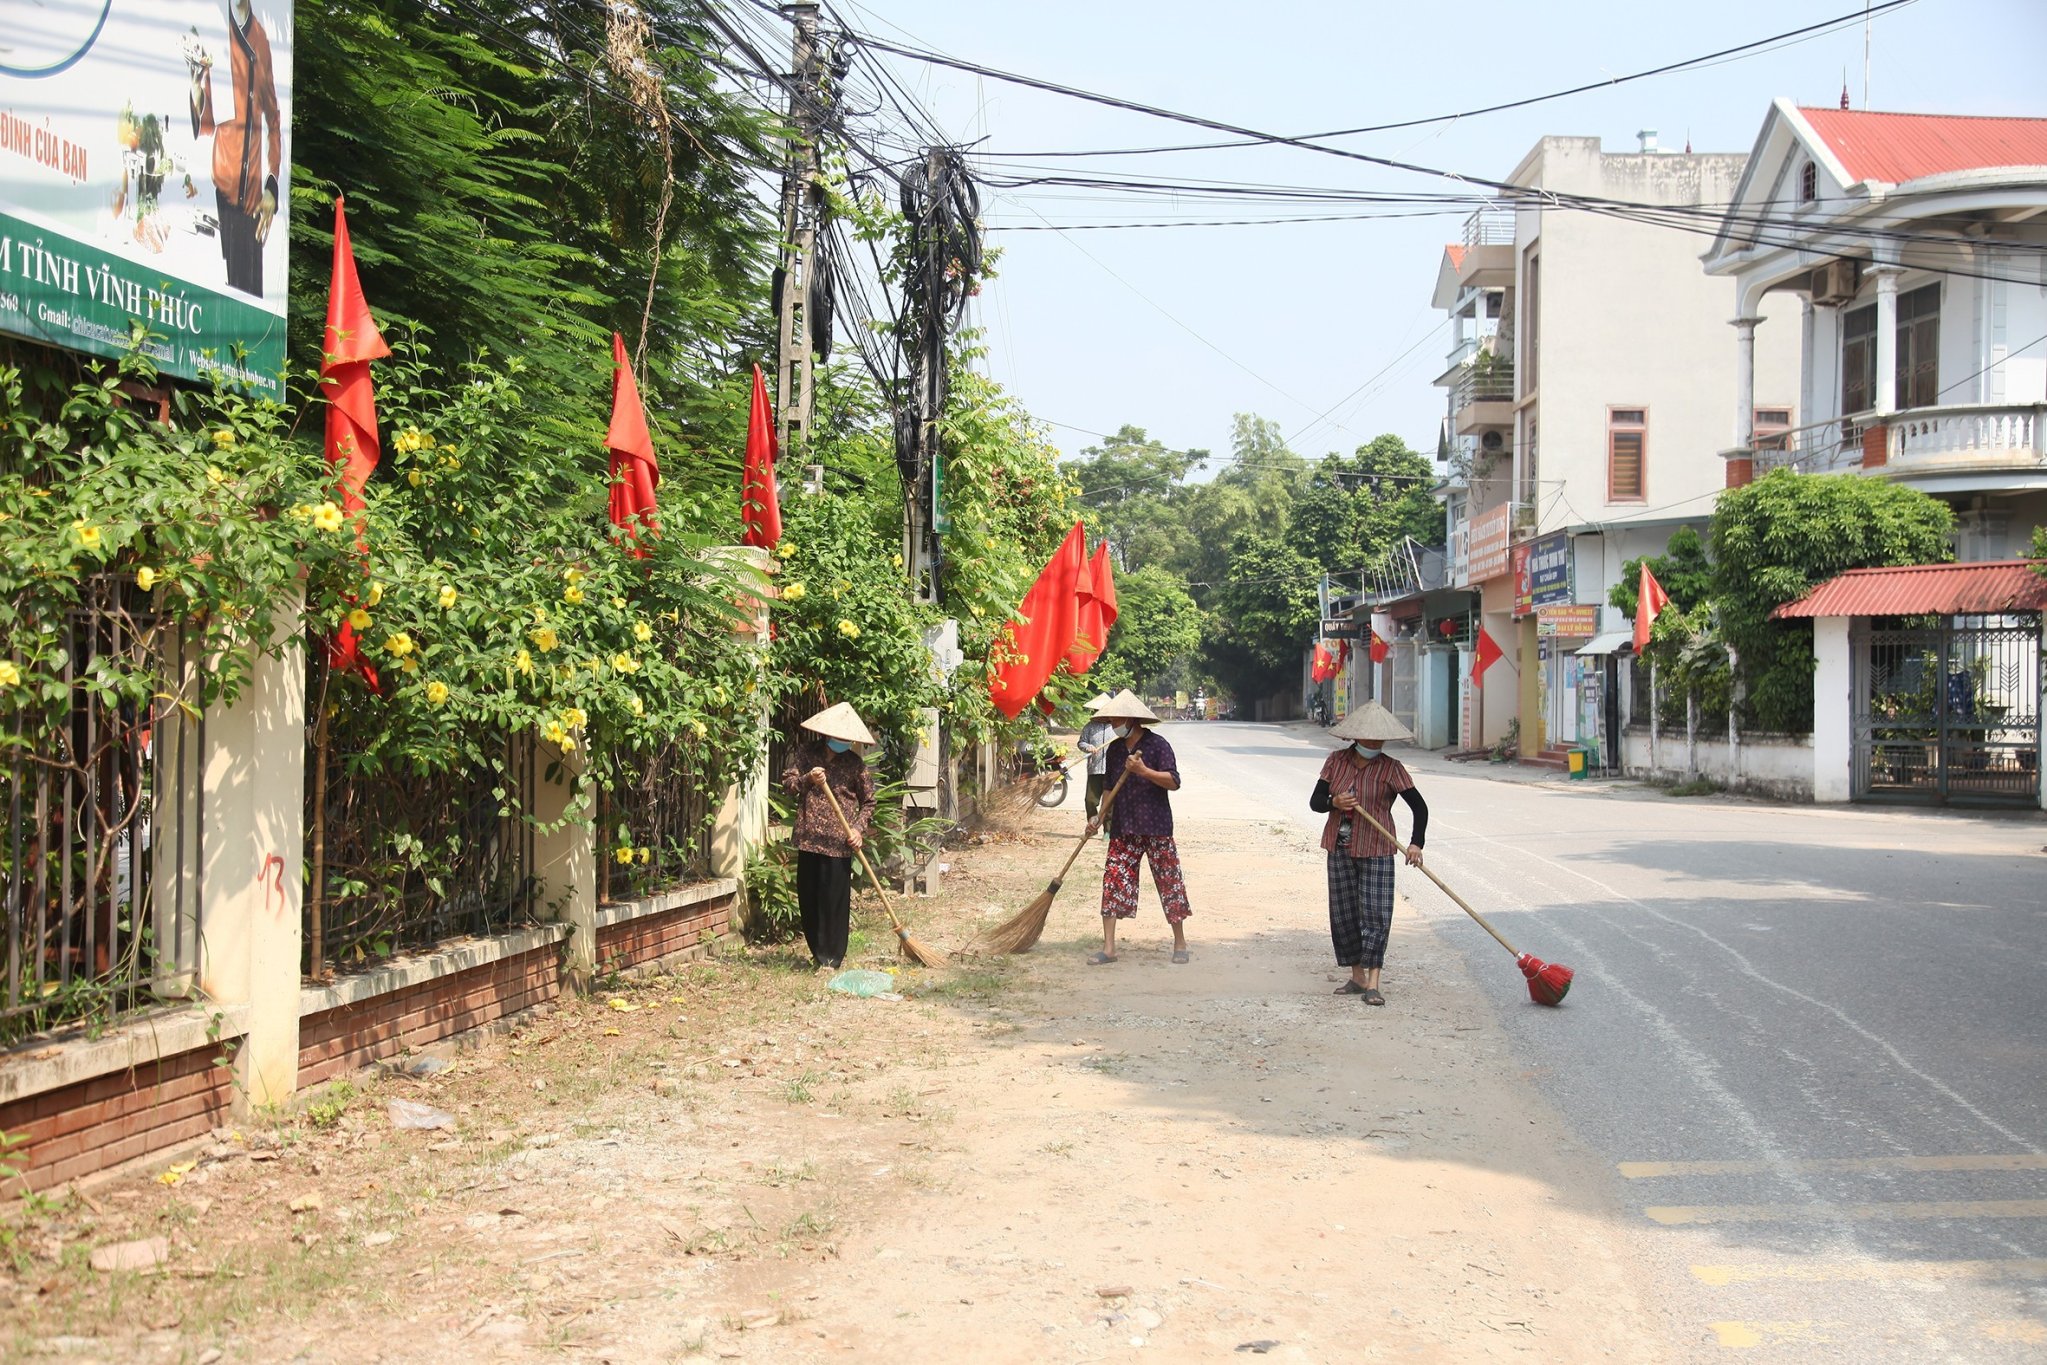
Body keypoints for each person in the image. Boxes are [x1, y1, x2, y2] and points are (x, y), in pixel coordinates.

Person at [1309, 700, 1427, 1006]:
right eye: (1369, 737)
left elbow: (1419, 808)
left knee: (1376, 914)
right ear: (1356, 737)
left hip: (1377, 849)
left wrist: (1416, 843)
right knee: (1345, 912)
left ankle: (1374, 982)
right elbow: (1316, 801)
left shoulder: (1391, 768)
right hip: (1339, 847)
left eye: (1380, 739)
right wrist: (1335, 803)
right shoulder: (1336, 762)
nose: (1375, 743)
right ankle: (1357, 976)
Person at [1083, 690, 1191, 965]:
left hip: (1156, 827)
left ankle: (1180, 942)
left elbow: (1174, 782)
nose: (1113, 724)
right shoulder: (1116, 749)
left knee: (1169, 883)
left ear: (1132, 719)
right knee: (1113, 881)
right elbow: (1108, 788)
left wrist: (1144, 771)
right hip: (1124, 826)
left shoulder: (1158, 746)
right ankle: (1109, 948)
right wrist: (1097, 818)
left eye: (1116, 719)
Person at [188, 0, 282, 298]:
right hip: (222, 188)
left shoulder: (261, 37)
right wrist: (196, 90)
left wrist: (272, 186)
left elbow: (274, 117)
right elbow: (206, 122)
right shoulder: (214, 31)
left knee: (249, 305)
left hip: (255, 197)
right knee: (215, 298)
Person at [780, 701, 876, 970]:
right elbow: (788, 785)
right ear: (827, 734)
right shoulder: (806, 755)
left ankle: (832, 958)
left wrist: (858, 829)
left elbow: (869, 802)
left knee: (834, 901)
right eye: (839, 737)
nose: (843, 742)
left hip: (839, 842)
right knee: (809, 897)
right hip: (809, 838)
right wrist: (808, 778)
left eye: (847, 739)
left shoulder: (855, 764)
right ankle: (817, 952)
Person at [1076, 693, 1116, 826]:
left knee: (1109, 802)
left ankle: (1108, 830)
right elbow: (1081, 743)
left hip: (1112, 770)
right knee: (1090, 800)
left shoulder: (1116, 727)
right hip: (1094, 769)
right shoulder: (1089, 727)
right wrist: (1088, 747)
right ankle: (1092, 825)